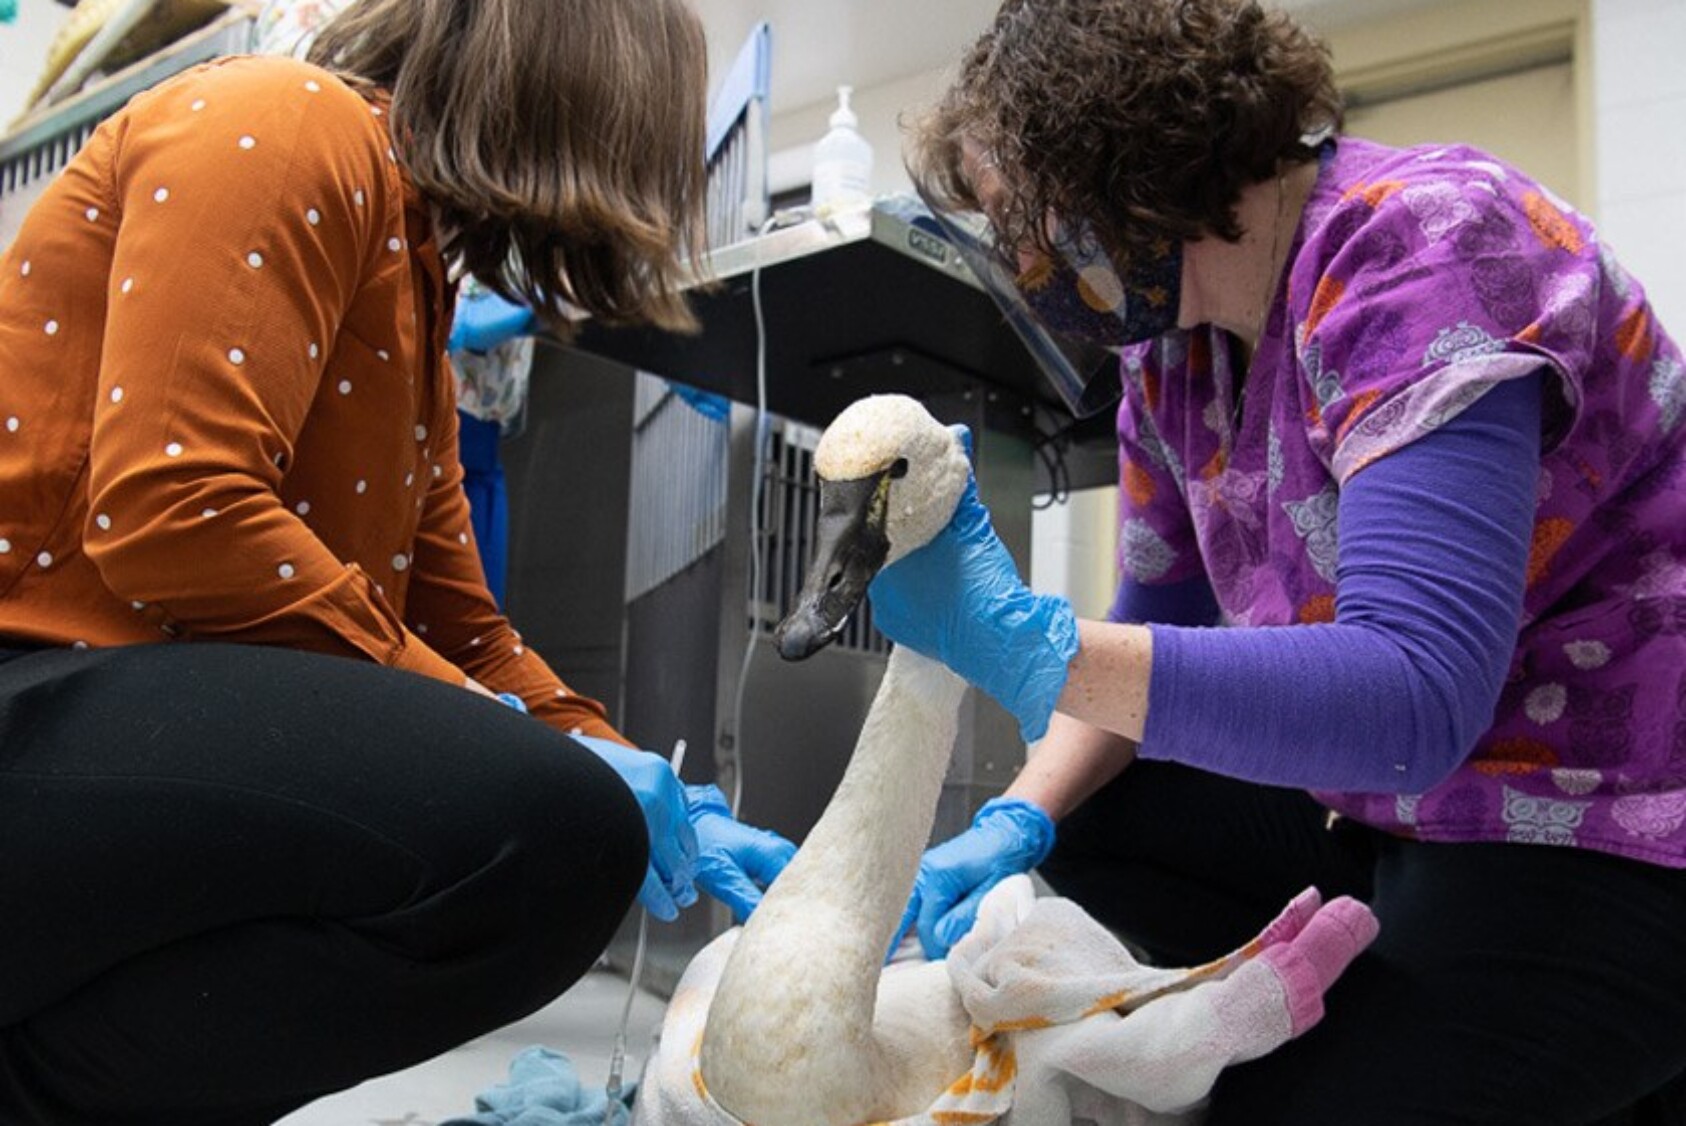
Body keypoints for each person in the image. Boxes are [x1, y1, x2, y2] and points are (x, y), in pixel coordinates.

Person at [879, 0, 1686, 1121]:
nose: (1020, 262)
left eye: (1025, 218)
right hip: (1398, 811)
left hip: (1602, 816)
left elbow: (1412, 696)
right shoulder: (1173, 365)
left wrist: (1031, 646)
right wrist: (1012, 819)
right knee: (1100, 805)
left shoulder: (1428, 245)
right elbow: (1152, 622)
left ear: (1122, 156)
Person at [0, 1, 795, 1122]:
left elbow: (463, 627)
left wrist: (642, 780)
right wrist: (537, 755)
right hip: (28, 686)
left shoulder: (411, 283)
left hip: (102, 729)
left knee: (573, 829)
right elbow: (174, 509)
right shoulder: (284, 120)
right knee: (548, 827)